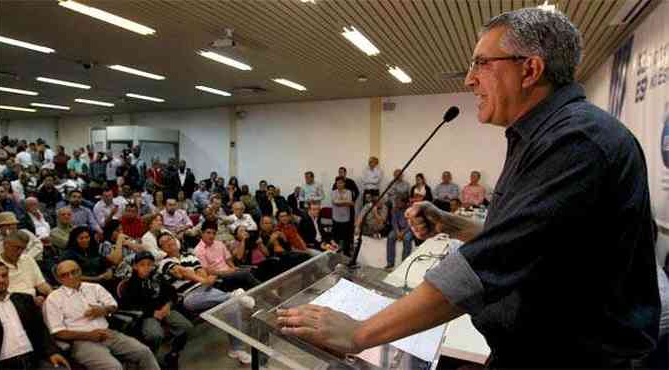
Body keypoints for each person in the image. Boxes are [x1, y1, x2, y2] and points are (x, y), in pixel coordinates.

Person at [276, 8, 659, 368]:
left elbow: (493, 262)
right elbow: (537, 243)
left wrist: (360, 333)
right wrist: (453, 225)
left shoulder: (577, 143)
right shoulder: (545, 135)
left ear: (530, 69)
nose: (469, 78)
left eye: (481, 63)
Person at [43, 260, 160, 370]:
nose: (71, 277)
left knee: (144, 352)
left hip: (108, 333)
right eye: (65, 275)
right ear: (59, 279)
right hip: (81, 342)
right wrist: (89, 335)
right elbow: (58, 332)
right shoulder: (54, 299)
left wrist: (103, 310)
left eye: (74, 272)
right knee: (114, 367)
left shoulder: (94, 288)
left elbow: (113, 305)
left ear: (80, 271)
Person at [156, 233, 252, 364]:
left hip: (207, 290)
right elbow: (182, 273)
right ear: (162, 249)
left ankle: (237, 349)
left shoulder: (189, 256)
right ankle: (231, 295)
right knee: (196, 301)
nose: (169, 241)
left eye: (170, 238)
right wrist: (203, 280)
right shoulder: (164, 262)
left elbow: (200, 271)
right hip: (188, 295)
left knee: (232, 306)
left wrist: (203, 279)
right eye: (164, 242)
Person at [120, 251, 193, 368]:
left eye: (149, 264)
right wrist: (153, 313)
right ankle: (150, 358)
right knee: (155, 334)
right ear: (135, 266)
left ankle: (173, 353)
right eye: (142, 265)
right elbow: (130, 306)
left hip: (164, 309)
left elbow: (172, 293)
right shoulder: (131, 284)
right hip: (147, 314)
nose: (146, 268)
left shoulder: (157, 277)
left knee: (186, 327)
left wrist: (168, 305)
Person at [0, 261, 70, 370]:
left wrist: (52, 352)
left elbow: (41, 330)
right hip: (4, 364)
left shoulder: (25, 300)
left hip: (34, 359)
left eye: (4, 275)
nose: (1, 280)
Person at [194, 221, 260, 291]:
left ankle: (257, 295)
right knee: (245, 274)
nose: (211, 236)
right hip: (219, 277)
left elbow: (228, 259)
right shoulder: (198, 250)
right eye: (208, 232)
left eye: (214, 233)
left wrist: (233, 267)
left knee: (254, 270)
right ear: (202, 233)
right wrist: (227, 272)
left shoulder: (219, 243)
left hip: (229, 270)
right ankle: (264, 291)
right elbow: (207, 271)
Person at [0, 231, 53, 301]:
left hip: (34, 302)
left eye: (22, 249)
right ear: (5, 245)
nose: (19, 252)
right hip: (12, 303)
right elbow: (1, 296)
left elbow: (41, 284)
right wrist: (32, 300)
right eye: (16, 248)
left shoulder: (28, 259)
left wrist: (52, 295)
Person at [385, 195, 413, 270]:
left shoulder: (410, 210)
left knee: (407, 239)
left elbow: (410, 224)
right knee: (390, 237)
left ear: (404, 203)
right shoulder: (395, 209)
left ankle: (404, 264)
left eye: (399, 202)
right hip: (397, 229)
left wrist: (402, 233)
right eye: (396, 202)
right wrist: (398, 232)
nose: (396, 204)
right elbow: (394, 222)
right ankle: (390, 263)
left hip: (408, 229)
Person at [331, 177, 354, 255]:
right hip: (336, 218)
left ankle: (346, 252)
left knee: (346, 237)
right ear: (336, 184)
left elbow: (350, 203)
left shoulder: (349, 192)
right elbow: (335, 203)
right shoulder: (333, 192)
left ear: (344, 183)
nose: (339, 184)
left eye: (341, 182)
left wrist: (341, 202)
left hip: (345, 218)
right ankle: (336, 251)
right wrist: (345, 202)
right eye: (338, 183)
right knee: (336, 237)